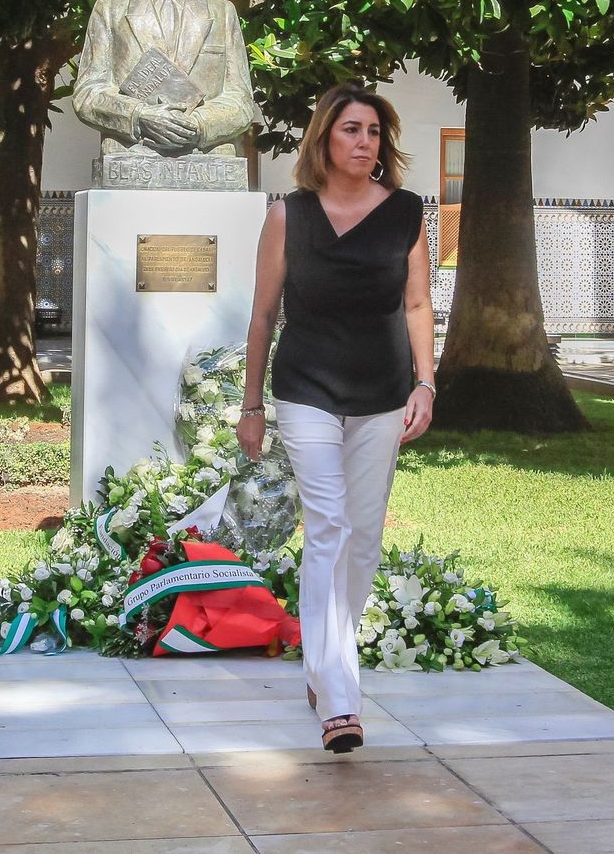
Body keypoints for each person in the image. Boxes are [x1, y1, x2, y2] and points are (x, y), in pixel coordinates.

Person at [237, 83, 434, 754]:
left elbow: (416, 307)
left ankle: (322, 669)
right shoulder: (289, 215)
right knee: (329, 526)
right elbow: (263, 315)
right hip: (305, 390)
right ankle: (341, 700)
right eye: (351, 129)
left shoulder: (406, 213)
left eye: (373, 131)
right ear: (324, 138)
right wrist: (252, 405)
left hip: (383, 394)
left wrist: (426, 383)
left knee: (364, 537)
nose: (364, 141)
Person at [72, 0, 260, 156]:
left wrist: (198, 125)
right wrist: (139, 116)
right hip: (133, 151)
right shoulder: (109, 10)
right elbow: (88, 93)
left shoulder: (222, 13)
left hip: (204, 155)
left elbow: (241, 99)